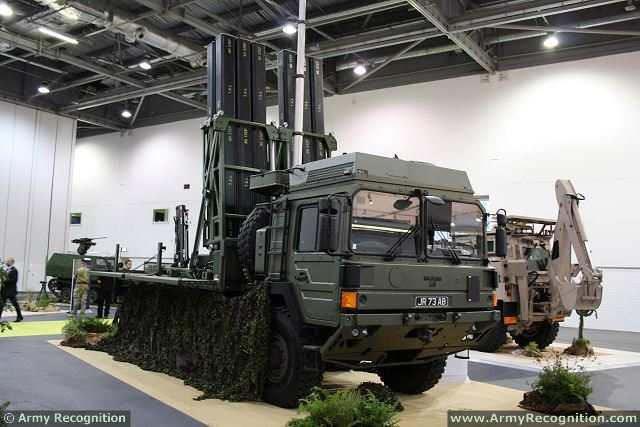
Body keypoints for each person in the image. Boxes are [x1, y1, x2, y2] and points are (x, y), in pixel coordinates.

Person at [1, 257, 23, 322]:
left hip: (11, 291)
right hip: (4, 291)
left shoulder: (14, 270)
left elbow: (14, 280)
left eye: (8, 261)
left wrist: (4, 280)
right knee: (1, 305)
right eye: (6, 261)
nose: (6, 262)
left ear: (12, 262)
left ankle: (19, 317)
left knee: (15, 304)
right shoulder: (6, 270)